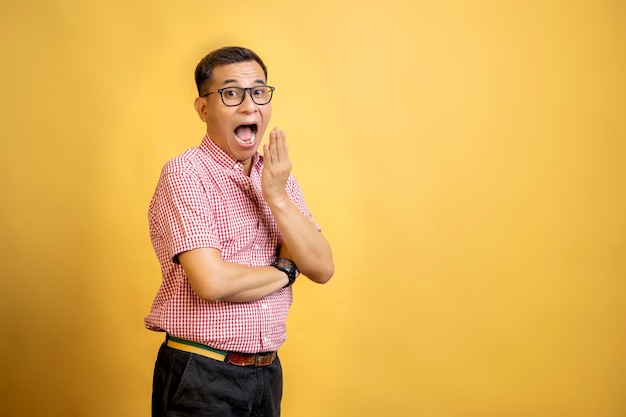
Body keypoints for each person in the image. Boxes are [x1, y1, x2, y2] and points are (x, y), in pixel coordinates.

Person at [144, 46, 334, 417]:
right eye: (231, 93)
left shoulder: (276, 176)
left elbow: (322, 267)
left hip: (266, 374)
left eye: (259, 91)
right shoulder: (186, 174)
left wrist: (277, 196)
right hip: (202, 376)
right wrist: (285, 270)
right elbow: (212, 282)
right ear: (203, 108)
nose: (249, 106)